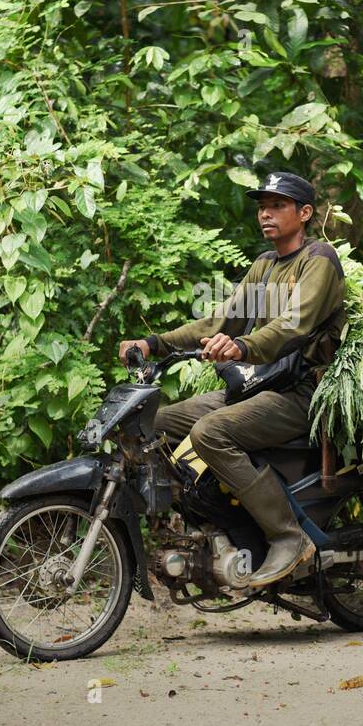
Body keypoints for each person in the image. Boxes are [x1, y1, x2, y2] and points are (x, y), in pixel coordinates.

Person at [118, 172, 347, 588]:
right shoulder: (264, 265)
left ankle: (287, 537)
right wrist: (154, 343)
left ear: (305, 213)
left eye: (277, 205)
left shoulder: (319, 260)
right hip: (257, 386)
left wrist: (242, 347)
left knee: (211, 432)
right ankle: (220, 522)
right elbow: (219, 321)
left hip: (302, 392)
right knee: (156, 423)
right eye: (262, 206)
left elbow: (294, 325)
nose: (266, 213)